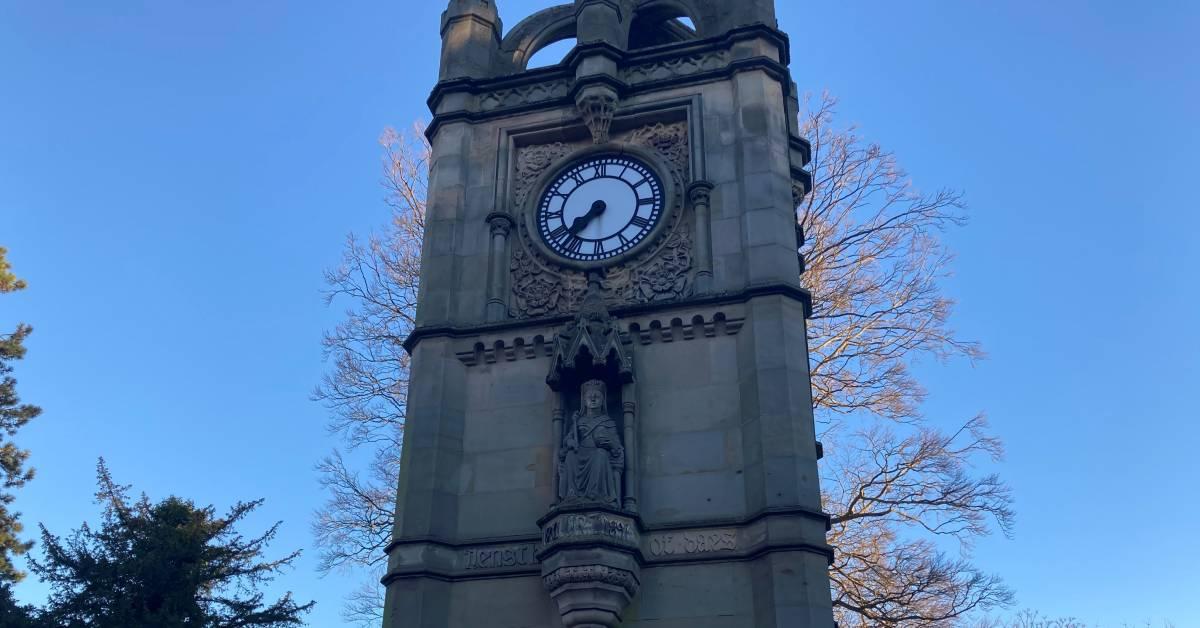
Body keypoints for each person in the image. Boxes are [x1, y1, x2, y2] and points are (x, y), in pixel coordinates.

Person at [559, 379, 624, 507]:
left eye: (597, 396)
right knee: (570, 456)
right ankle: (572, 495)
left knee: (600, 455)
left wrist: (610, 443)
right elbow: (568, 439)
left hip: (597, 452)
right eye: (589, 396)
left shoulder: (608, 422)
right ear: (584, 400)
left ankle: (596, 494)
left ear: (603, 400)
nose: (593, 399)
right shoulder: (579, 421)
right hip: (580, 451)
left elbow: (617, 445)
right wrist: (570, 441)